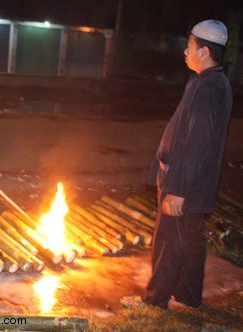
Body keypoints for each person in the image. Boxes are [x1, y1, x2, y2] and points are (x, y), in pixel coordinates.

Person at [125, 20, 232, 310]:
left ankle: (154, 300)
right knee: (190, 241)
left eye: (189, 46)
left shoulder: (209, 88)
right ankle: (187, 296)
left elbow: (198, 143)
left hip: (185, 184)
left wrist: (179, 189)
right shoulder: (209, 82)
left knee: (169, 243)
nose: (185, 51)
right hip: (192, 184)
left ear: (205, 50)